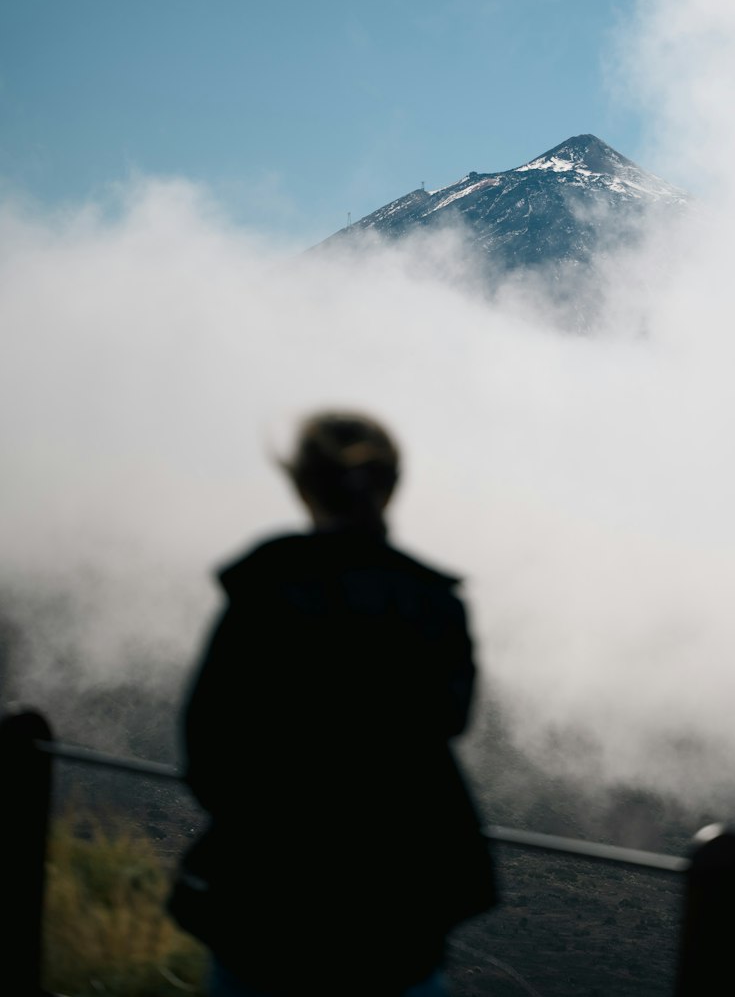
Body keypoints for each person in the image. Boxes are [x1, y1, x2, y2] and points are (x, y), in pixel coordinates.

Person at [170, 411, 497, 996]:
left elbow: (207, 740)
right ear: (393, 485)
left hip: (267, 905)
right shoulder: (434, 604)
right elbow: (450, 719)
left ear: (300, 485)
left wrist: (261, 822)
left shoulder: (265, 587)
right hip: (397, 911)